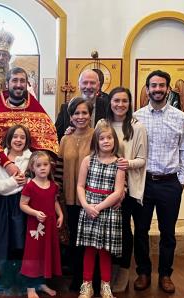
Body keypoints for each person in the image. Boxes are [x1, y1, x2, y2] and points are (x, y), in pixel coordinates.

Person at [133, 70, 184, 294]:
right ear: (147, 89)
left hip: (170, 183)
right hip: (144, 182)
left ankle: (166, 274)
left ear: (168, 89)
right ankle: (143, 272)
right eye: (153, 86)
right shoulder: (137, 116)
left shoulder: (180, 117)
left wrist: (181, 179)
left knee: (168, 232)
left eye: (161, 86)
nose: (157, 89)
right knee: (140, 230)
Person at [98, 87, 147, 293]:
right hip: (103, 186)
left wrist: (125, 163)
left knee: (124, 230)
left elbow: (142, 159)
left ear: (130, 103)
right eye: (116, 100)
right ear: (110, 102)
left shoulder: (137, 127)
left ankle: (124, 272)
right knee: (107, 230)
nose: (120, 104)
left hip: (127, 187)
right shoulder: (102, 124)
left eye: (124, 101)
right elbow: (96, 148)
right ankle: (109, 271)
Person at [76, 120, 125, 298]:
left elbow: (118, 191)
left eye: (109, 138)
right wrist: (86, 205)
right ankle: (87, 284)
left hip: (108, 210)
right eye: (102, 138)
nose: (106, 141)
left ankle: (106, 285)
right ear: (96, 141)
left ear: (114, 141)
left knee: (105, 249)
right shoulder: (88, 160)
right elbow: (80, 185)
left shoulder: (119, 162)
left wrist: (99, 207)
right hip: (89, 208)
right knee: (89, 248)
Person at [0, 67, 58, 174]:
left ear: (26, 84)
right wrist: (7, 164)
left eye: (22, 81)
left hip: (32, 170)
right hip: (2, 169)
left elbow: (48, 142)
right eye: (14, 80)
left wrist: (33, 166)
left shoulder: (37, 111)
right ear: (7, 84)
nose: (18, 85)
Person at [55, 97, 94, 292]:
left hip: (91, 199)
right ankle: (77, 275)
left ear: (90, 115)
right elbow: (60, 168)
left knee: (89, 239)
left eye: (84, 113)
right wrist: (57, 194)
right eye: (76, 113)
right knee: (74, 238)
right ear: (70, 116)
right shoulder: (65, 138)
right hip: (69, 197)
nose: (80, 117)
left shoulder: (97, 137)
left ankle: (88, 277)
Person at [0, 124, 32, 294]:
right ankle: (5, 277)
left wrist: (23, 184)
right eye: (15, 137)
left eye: (22, 137)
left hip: (25, 205)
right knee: (4, 241)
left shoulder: (30, 158)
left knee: (21, 242)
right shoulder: (1, 159)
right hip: (5, 206)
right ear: (9, 139)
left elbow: (33, 182)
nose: (18, 140)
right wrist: (15, 183)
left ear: (27, 140)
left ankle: (21, 277)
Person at [20, 151, 63, 298]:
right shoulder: (30, 186)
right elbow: (23, 205)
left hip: (50, 226)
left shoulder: (53, 185)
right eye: (39, 165)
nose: (42, 168)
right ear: (32, 168)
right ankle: (30, 288)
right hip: (35, 227)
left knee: (46, 253)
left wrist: (61, 214)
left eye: (45, 165)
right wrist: (35, 213)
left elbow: (55, 201)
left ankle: (42, 282)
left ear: (50, 167)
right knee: (34, 254)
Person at [55, 69, 109, 140]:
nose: (88, 87)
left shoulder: (107, 107)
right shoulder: (66, 108)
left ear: (98, 86)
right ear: (79, 85)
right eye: (85, 83)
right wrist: (68, 136)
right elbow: (55, 138)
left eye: (92, 83)